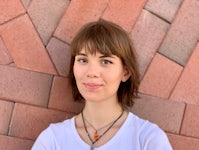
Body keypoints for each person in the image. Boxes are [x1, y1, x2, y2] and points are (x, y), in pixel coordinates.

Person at [32, 19, 172, 150]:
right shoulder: (52, 140)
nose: (92, 72)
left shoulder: (148, 139)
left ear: (125, 72)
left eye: (105, 62)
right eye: (83, 60)